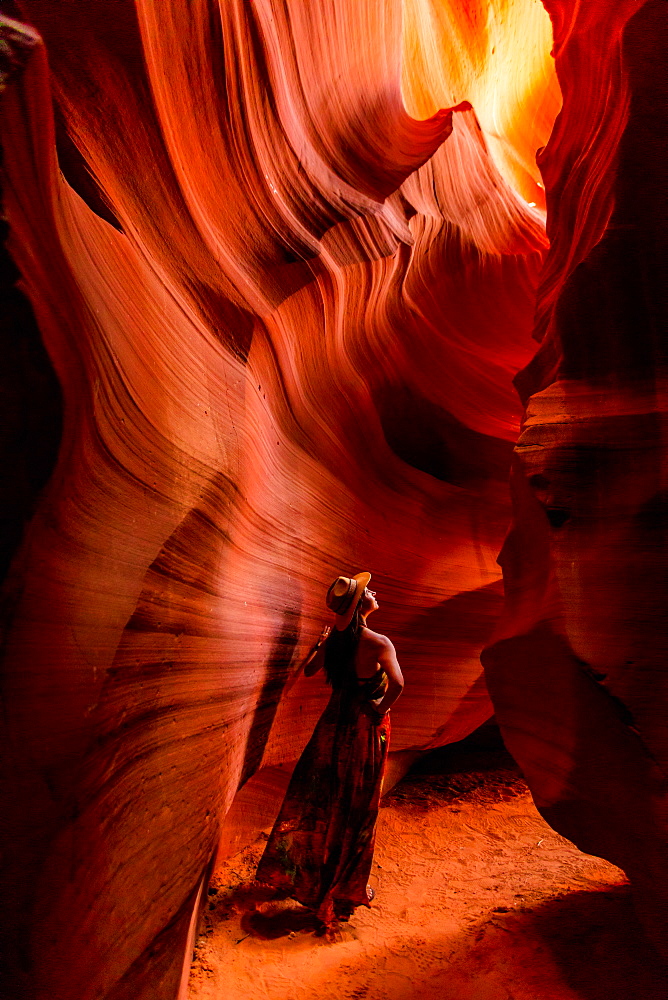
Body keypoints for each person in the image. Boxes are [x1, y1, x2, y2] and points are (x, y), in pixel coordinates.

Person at [254, 572, 404, 933]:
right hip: (364, 728)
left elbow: (309, 671)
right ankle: (346, 886)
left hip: (332, 727)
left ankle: (314, 879)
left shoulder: (335, 642)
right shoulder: (378, 642)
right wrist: (379, 710)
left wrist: (320, 644)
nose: (373, 592)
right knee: (358, 803)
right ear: (359, 606)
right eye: (367, 591)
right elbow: (397, 684)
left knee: (325, 797)